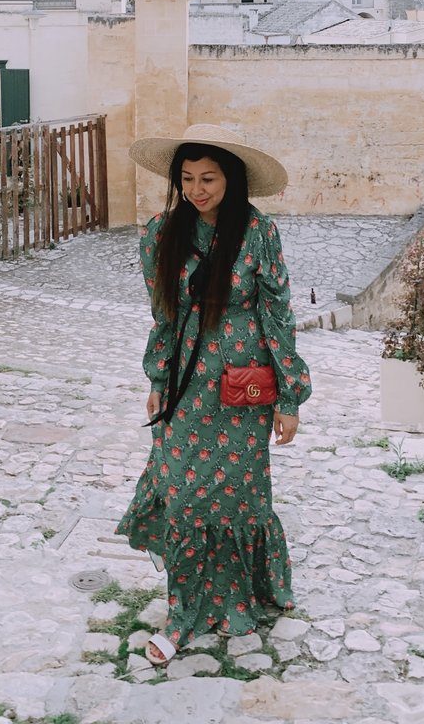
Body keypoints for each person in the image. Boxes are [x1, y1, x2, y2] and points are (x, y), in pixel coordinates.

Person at [116, 124, 312, 667]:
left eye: (208, 178)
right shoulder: (161, 232)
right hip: (185, 384)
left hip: (243, 384)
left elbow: (276, 312)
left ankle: (241, 596)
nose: (197, 189)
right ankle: (184, 613)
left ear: (232, 179)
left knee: (238, 495)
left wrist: (289, 398)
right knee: (182, 494)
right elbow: (164, 313)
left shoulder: (257, 232)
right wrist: (157, 378)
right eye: (187, 178)